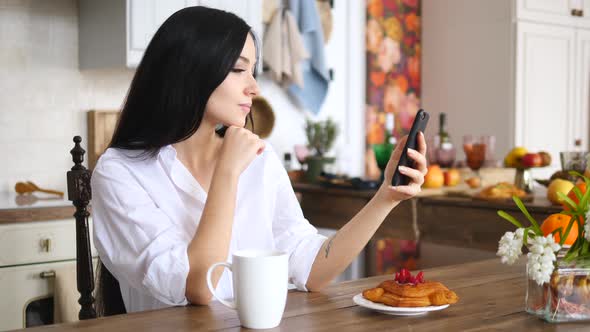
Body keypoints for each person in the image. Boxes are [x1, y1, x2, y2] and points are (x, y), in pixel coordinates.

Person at [91, 6, 427, 313]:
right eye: (239, 69)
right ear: (190, 71)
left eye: (253, 71)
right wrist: (228, 170)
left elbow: (311, 270)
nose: (254, 87)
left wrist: (385, 197)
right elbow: (195, 286)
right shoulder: (120, 172)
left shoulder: (258, 160)